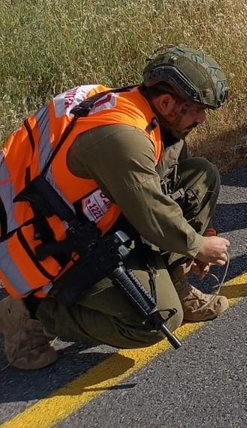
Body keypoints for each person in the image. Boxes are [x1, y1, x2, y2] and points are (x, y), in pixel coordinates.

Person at [0, 46, 233, 370]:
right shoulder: (123, 137)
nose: (202, 118)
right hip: (52, 250)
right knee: (158, 319)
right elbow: (152, 213)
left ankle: (176, 283)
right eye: (196, 110)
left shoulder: (144, 111)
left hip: (90, 218)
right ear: (167, 103)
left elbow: (165, 183)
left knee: (201, 176)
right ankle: (31, 311)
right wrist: (198, 246)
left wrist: (197, 241)